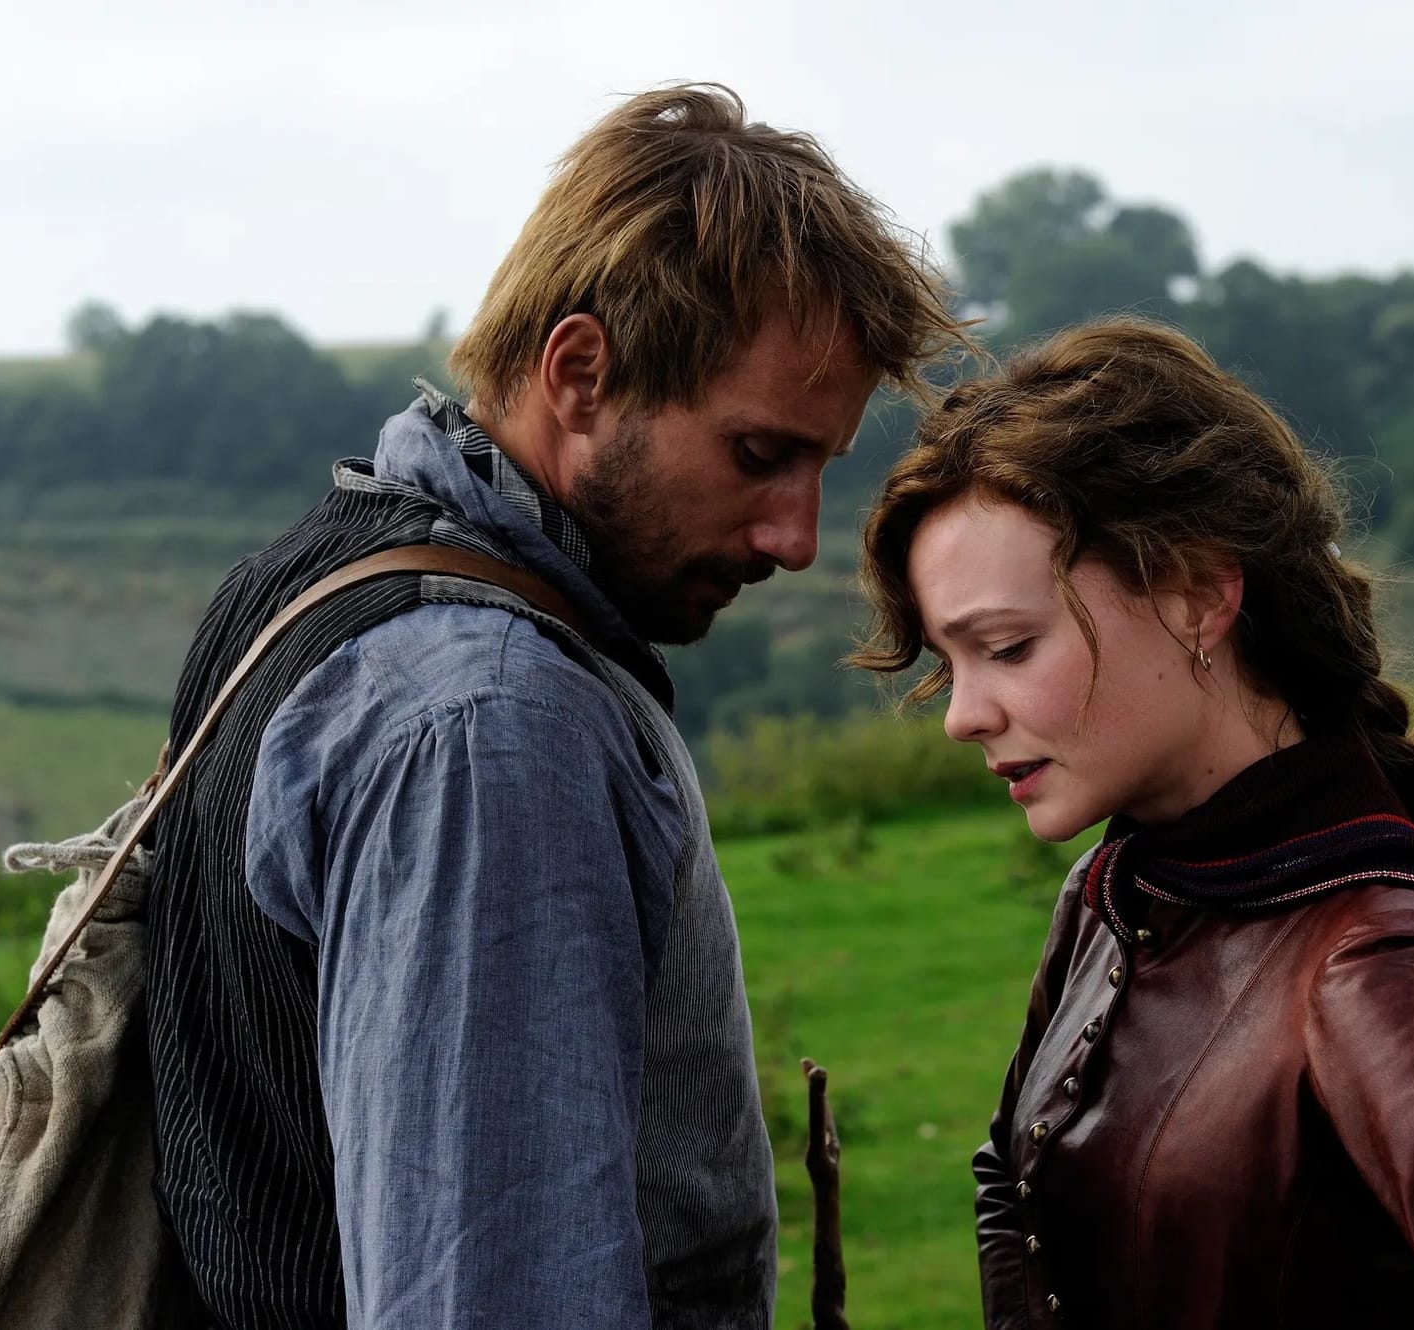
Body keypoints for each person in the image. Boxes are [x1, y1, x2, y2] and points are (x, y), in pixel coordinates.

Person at [143, 84, 969, 1328]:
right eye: (757, 454)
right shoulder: (490, 726)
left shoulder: (304, 582)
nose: (795, 538)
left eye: (819, 467)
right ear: (580, 373)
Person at [851, 317, 1414, 1329]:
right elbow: (1018, 1199)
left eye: (1008, 647)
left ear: (1197, 595)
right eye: (949, 661)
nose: (962, 714)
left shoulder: (1375, 967)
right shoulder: (1115, 897)